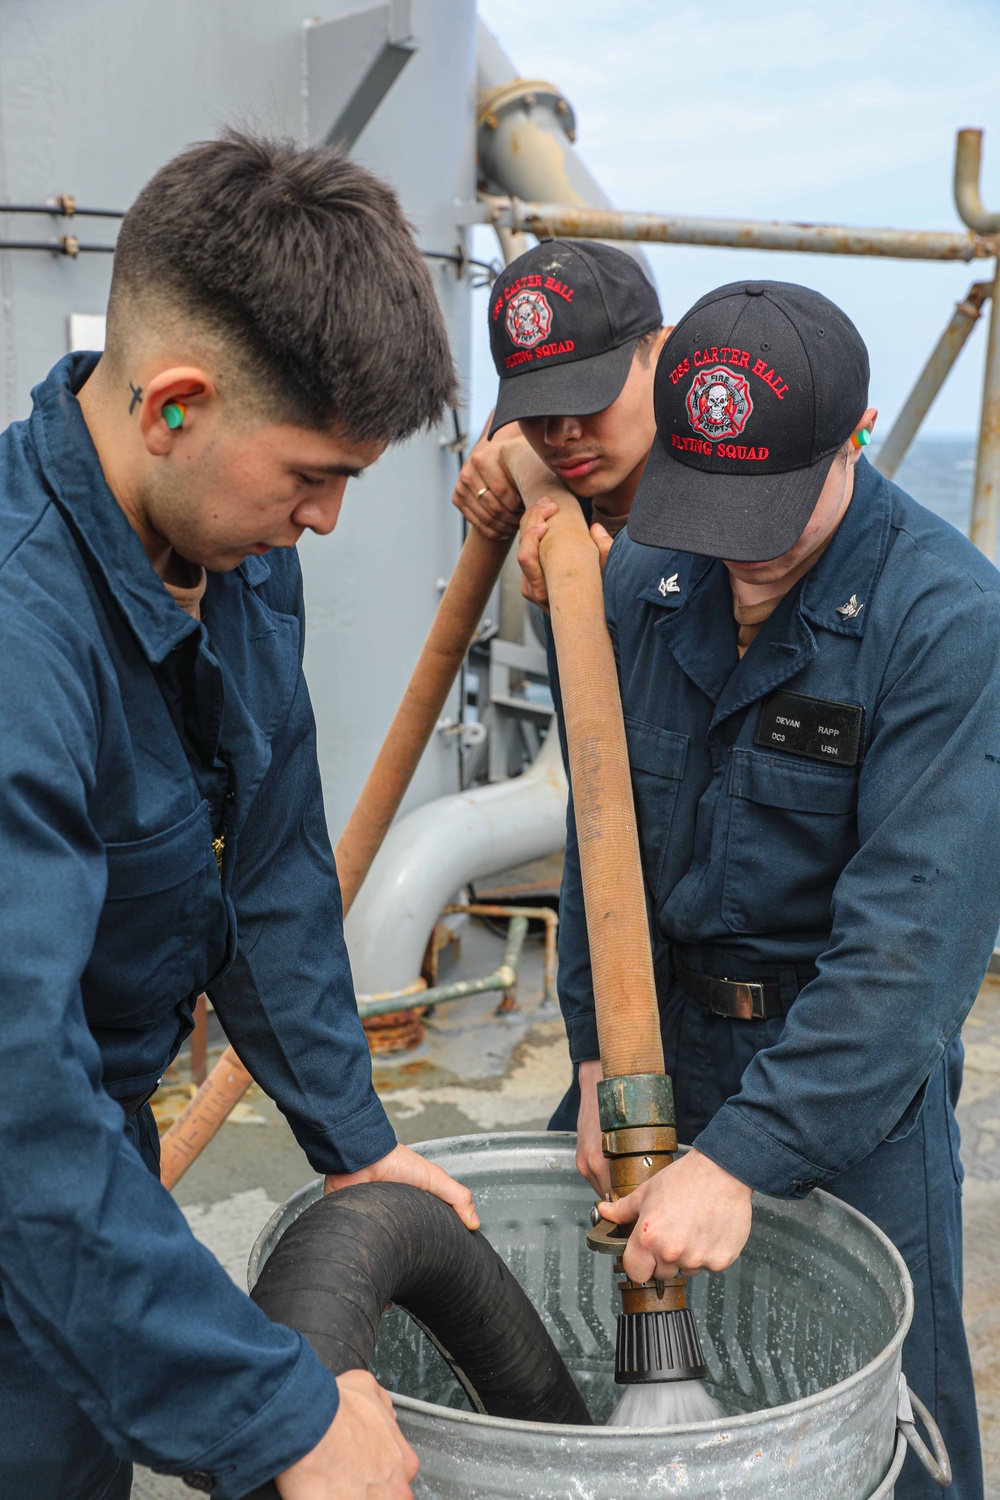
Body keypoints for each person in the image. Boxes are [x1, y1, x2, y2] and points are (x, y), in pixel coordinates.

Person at [0, 131, 480, 1500]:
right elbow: (14, 1099)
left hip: (91, 1169)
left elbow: (265, 868)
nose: (327, 521)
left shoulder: (232, 544)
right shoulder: (19, 634)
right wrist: (278, 1415)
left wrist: (358, 1137)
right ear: (174, 406)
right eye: (311, 476)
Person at [515, 279, 1000, 1500]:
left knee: (895, 1433)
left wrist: (741, 1160)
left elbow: (908, 956)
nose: (735, 541)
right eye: (707, 500)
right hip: (662, 1050)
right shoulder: (645, 581)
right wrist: (595, 1063)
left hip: (848, 1085)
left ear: (862, 434)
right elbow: (599, 847)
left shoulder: (946, 623)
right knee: (646, 1388)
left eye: (768, 507)